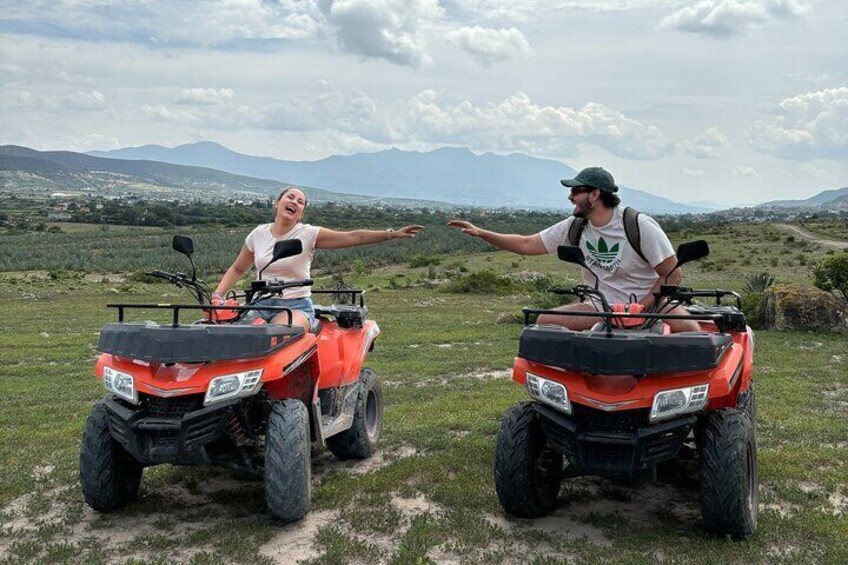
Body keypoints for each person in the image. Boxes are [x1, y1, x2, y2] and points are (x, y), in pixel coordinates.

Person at [448, 167, 700, 332]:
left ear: (595, 194)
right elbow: (527, 244)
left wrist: (641, 309)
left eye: (576, 191)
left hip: (651, 306)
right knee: (545, 323)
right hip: (599, 307)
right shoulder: (575, 227)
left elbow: (672, 274)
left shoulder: (637, 225)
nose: (570, 196)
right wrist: (482, 234)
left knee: (695, 335)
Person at [214, 186, 423, 330]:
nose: (294, 201)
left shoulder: (308, 234)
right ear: (277, 203)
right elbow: (238, 269)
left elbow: (352, 236)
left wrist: (391, 234)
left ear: (301, 213)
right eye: (290, 197)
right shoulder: (257, 234)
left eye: (300, 201)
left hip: (295, 305)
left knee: (278, 333)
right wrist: (217, 295)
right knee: (236, 336)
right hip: (261, 303)